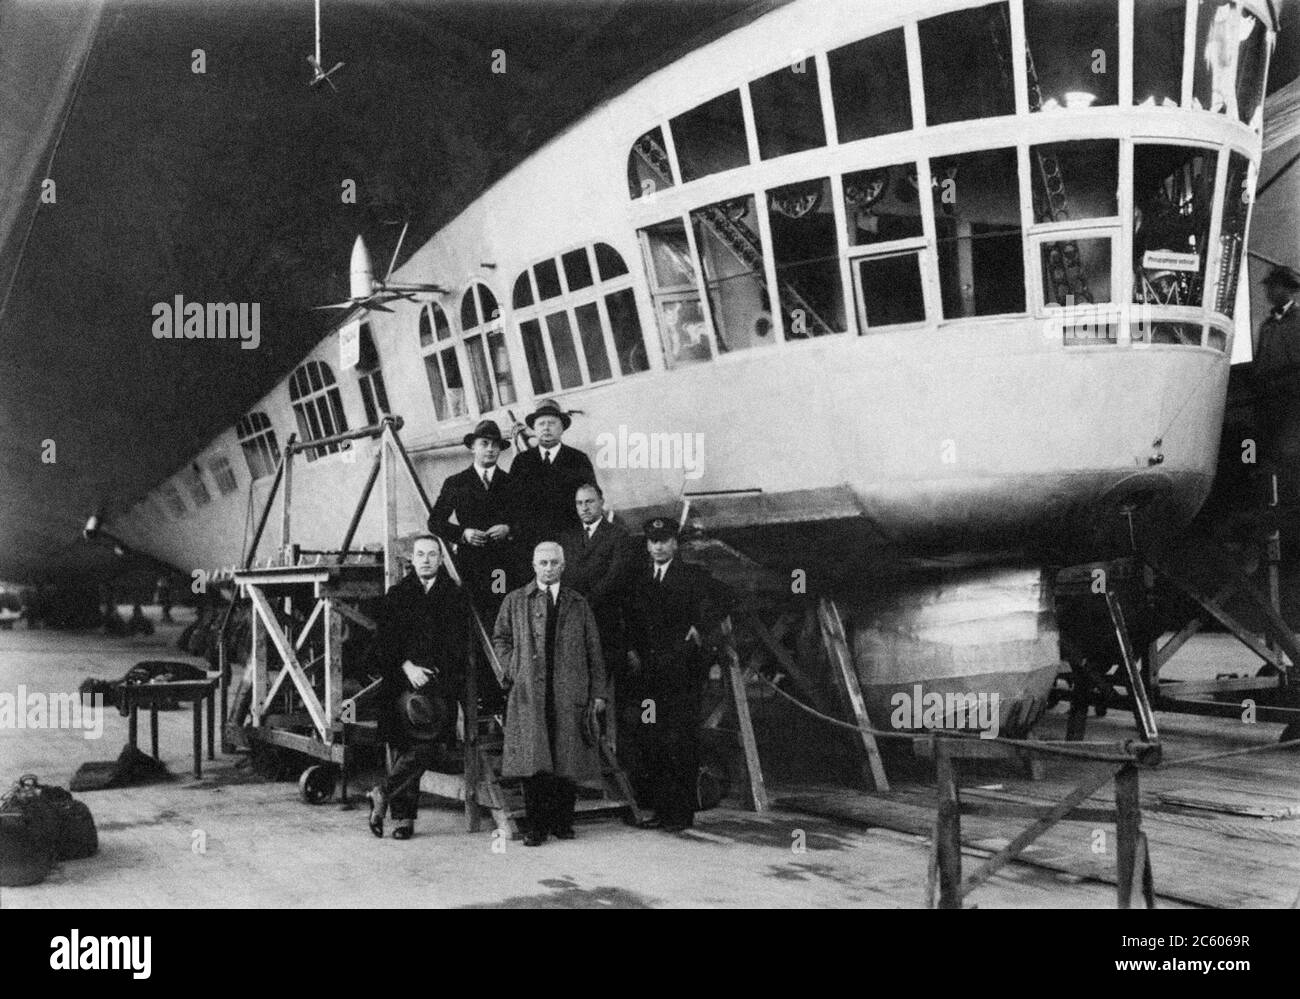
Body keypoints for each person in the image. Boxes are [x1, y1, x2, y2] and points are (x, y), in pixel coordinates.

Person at [493, 542, 606, 846]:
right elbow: (500, 640)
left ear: (563, 566)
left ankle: (563, 823)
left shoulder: (578, 603)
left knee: (566, 757)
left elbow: (594, 649)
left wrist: (598, 693)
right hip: (531, 691)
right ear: (533, 565)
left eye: (554, 562)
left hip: (569, 691)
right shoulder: (515, 601)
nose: (548, 568)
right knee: (534, 761)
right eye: (542, 563)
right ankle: (536, 828)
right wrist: (514, 668)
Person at [623, 517, 730, 832]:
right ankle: (660, 810)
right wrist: (630, 649)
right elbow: (628, 618)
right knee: (652, 740)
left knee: (680, 743)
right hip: (648, 677)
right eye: (653, 541)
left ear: (675, 544)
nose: (658, 546)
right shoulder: (640, 577)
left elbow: (727, 597)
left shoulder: (692, 575)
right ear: (647, 545)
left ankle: (681, 815)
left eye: (664, 540)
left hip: (681, 676)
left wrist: (702, 626)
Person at [364, 534, 467, 840]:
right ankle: (403, 820)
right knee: (403, 746)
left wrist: (435, 672)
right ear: (412, 559)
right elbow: (381, 644)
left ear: (440, 559)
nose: (425, 559)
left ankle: (382, 792)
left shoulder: (454, 596)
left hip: (438, 686)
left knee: (429, 744)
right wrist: (406, 666)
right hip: (401, 683)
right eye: (420, 554)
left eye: (432, 554)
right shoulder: (396, 595)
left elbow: (459, 645)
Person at [560, 482, 634, 746]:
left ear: (601, 502)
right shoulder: (567, 538)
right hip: (573, 623)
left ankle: (603, 743)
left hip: (604, 622)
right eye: (580, 503)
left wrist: (584, 602)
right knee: (577, 679)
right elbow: (562, 576)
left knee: (602, 682)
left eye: (589, 502)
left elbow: (615, 577)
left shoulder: (618, 537)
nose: (584, 508)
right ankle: (580, 740)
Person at [508, 399, 596, 552]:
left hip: (571, 540)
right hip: (532, 543)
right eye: (541, 424)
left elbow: (591, 499)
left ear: (562, 429)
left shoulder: (578, 459)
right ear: (534, 429)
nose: (546, 428)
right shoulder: (521, 462)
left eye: (552, 423)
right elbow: (512, 503)